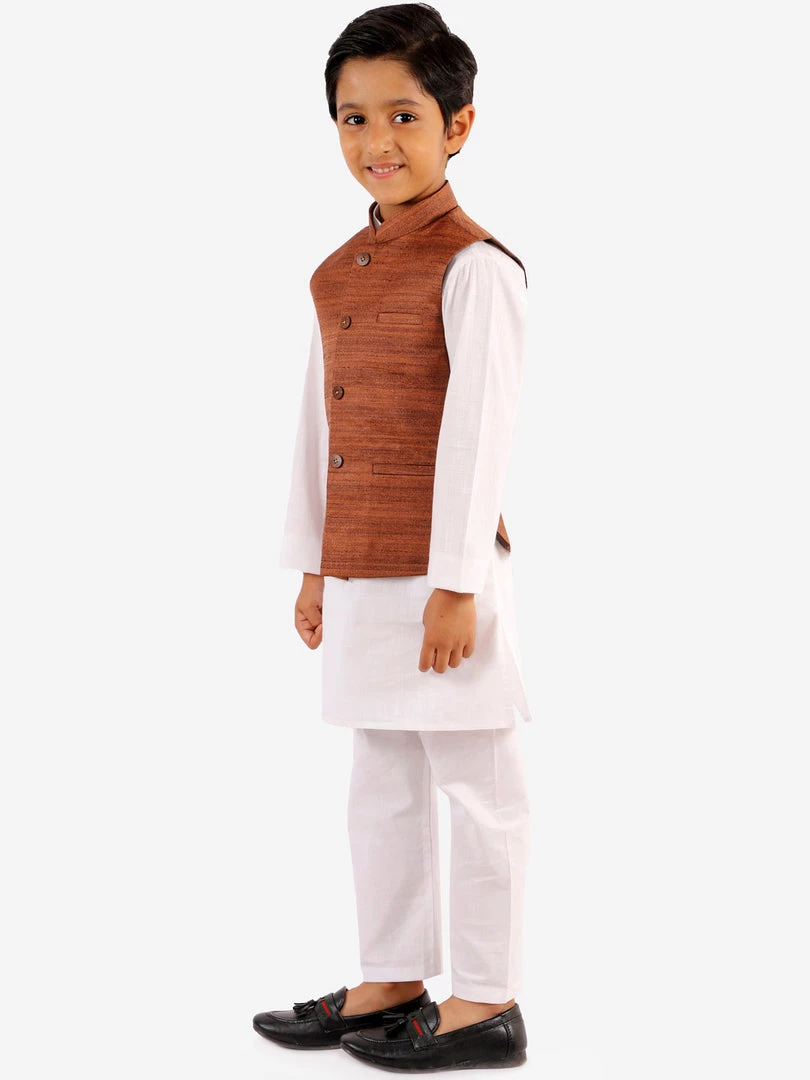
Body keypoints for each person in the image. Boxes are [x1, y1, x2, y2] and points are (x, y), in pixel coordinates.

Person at [253, 3, 532, 1070]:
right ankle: (392, 975)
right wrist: (314, 566)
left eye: (403, 115)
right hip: (363, 569)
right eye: (353, 117)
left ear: (459, 125)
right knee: (381, 780)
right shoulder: (336, 272)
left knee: (478, 784)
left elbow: (479, 436)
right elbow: (318, 424)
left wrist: (457, 583)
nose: (377, 140)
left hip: (440, 578)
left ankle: (487, 1001)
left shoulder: (477, 266)